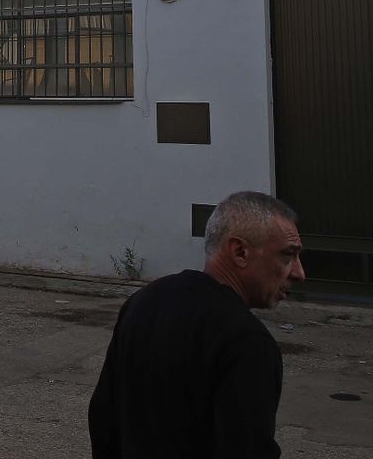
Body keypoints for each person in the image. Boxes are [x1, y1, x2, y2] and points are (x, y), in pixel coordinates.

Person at [88, 191, 305, 458]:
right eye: (287, 255)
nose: (299, 273)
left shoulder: (144, 302)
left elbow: (104, 419)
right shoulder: (246, 341)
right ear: (240, 252)